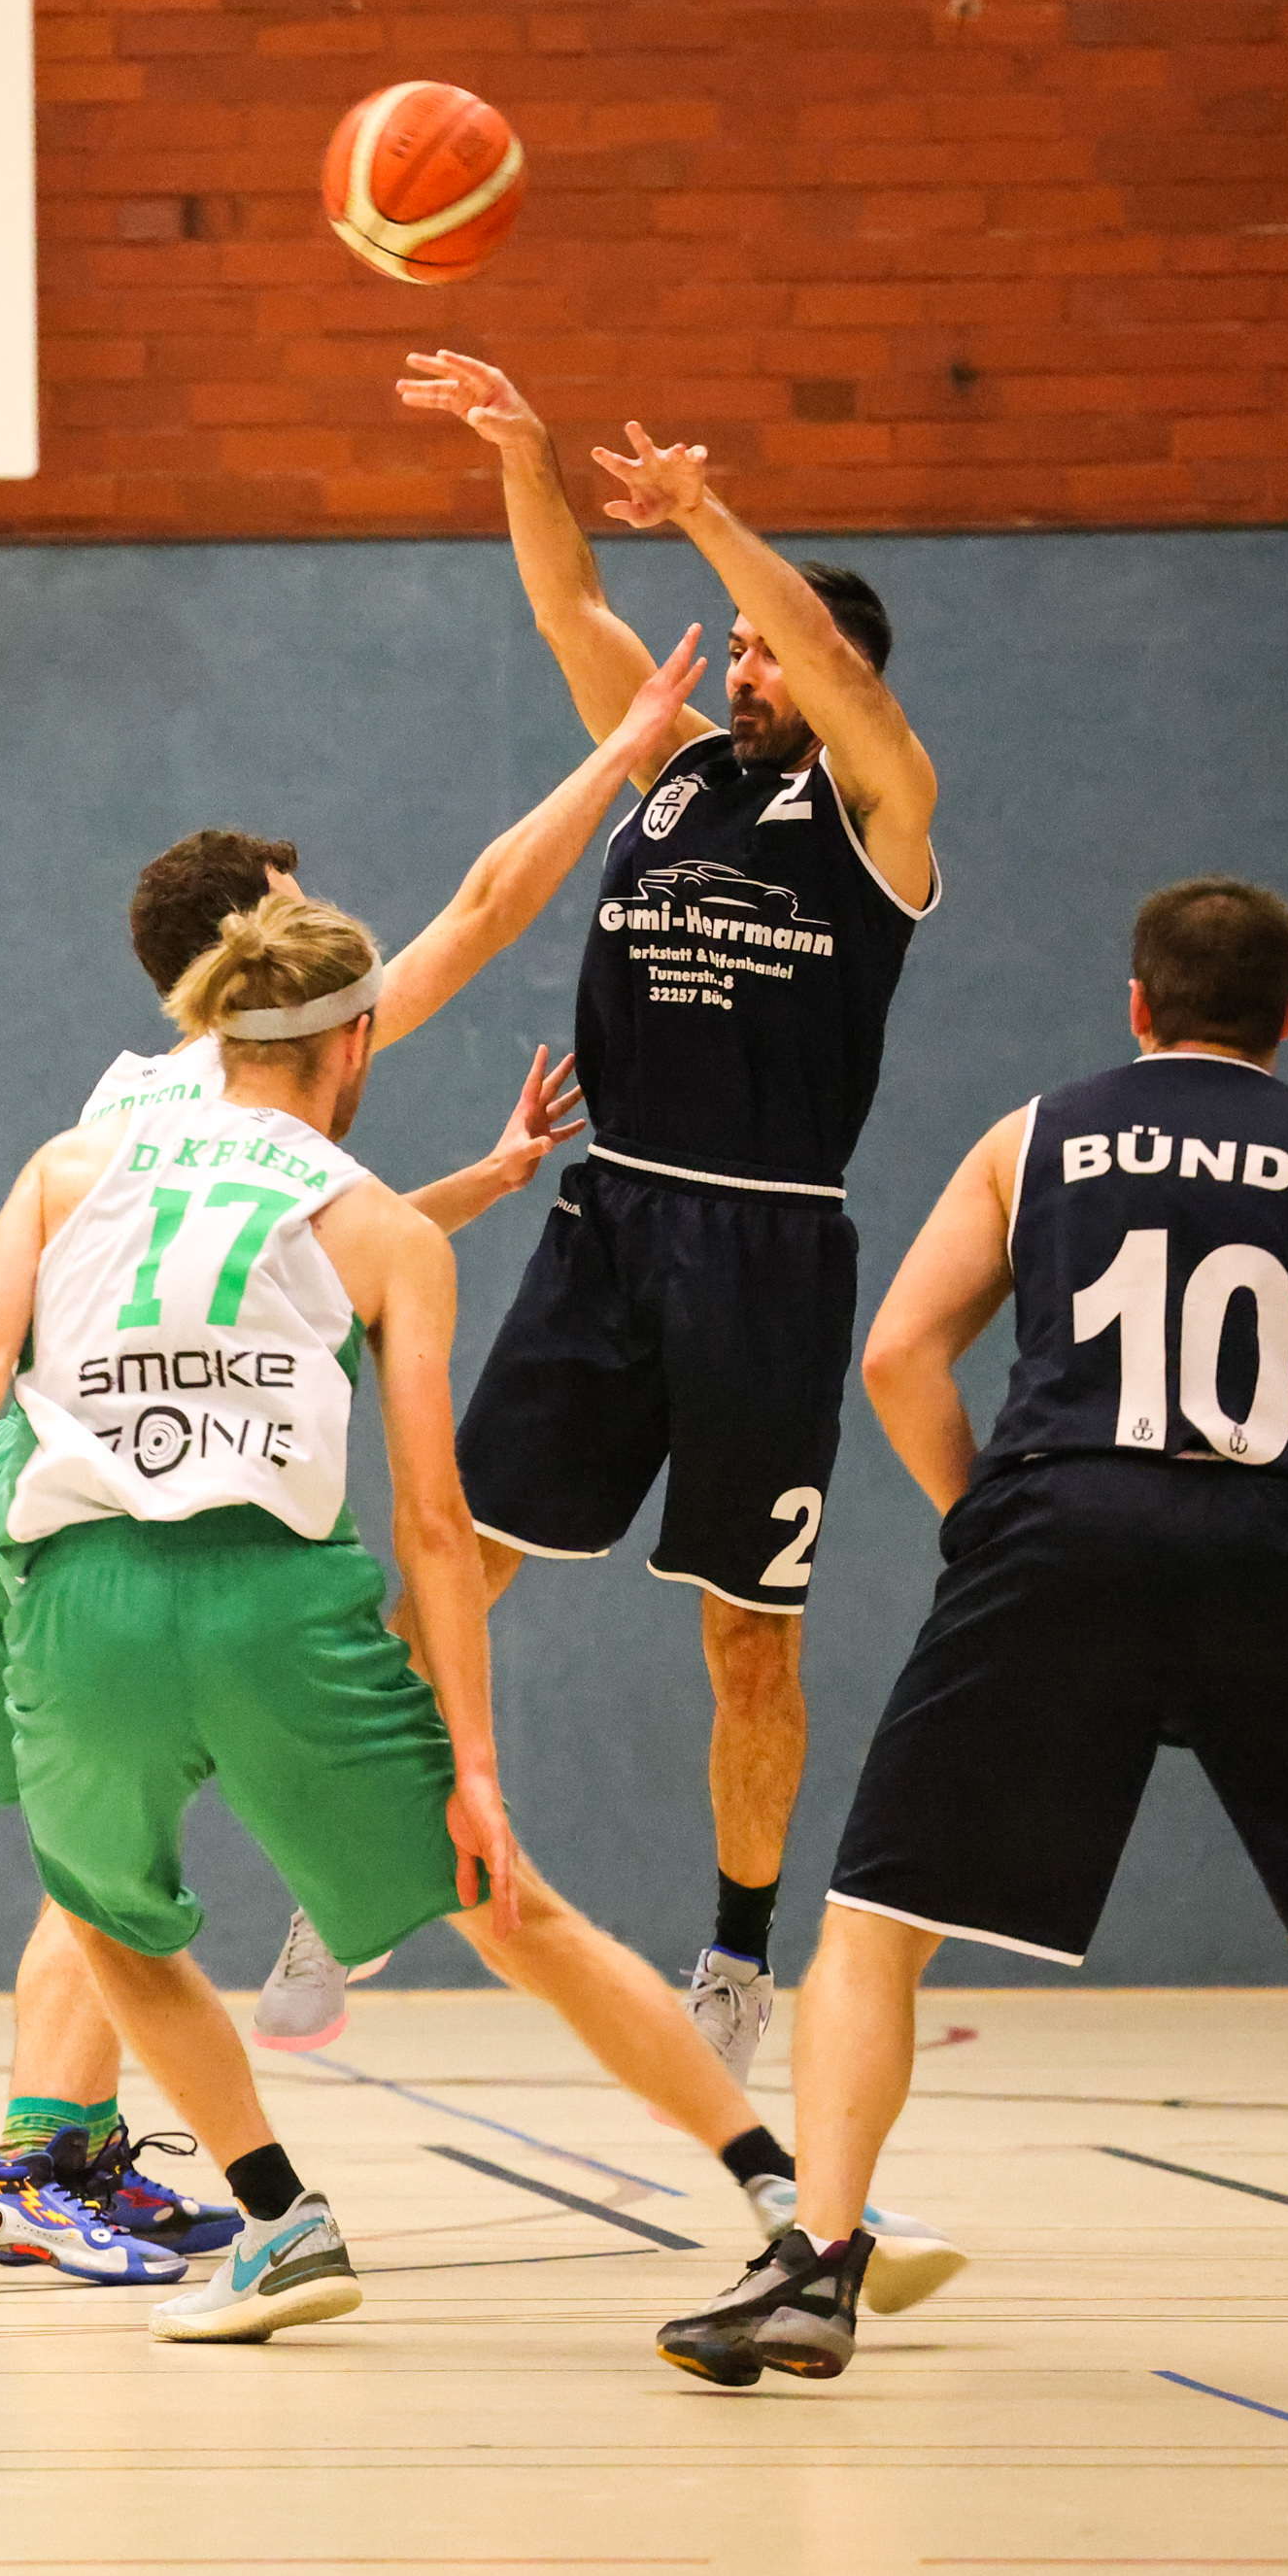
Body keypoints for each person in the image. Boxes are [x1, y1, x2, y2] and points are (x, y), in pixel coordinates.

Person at [656, 880, 1288, 2390]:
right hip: (1279, 1559)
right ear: (1287, 1014)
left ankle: (819, 2263)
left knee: (875, 1924)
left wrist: (994, 1519)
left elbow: (897, 1355)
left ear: (1136, 1004)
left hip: (1056, 1538)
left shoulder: (1032, 1138)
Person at [0, 896, 850, 2345]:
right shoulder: (382, 1227)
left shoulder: (68, 1167)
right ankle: (789, 2200)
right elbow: (436, 1524)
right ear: (356, 1042)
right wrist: (475, 1760)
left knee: (105, 1918)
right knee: (516, 1914)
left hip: (84, 1597)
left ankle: (279, 2221)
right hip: (283, 1609)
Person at [0, 629, 710, 2286]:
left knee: (108, 1848)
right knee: (99, 1867)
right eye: (291, 906)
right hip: (63, 1489)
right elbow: (483, 909)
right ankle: (32, 2159)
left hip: (65, 1470)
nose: (319, 926)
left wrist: (465, 1193)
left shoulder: (167, 1107)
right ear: (247, 958)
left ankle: (67, 2147)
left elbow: (263, 1276)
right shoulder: (222, 1070)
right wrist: (622, 746)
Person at [295, 350, 941, 2088]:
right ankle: (352, 1872)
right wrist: (521, 455)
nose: (742, 666)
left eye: (771, 651)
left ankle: (733, 1953)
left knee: (747, 1634)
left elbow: (820, 663)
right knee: (456, 1553)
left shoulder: (881, 810)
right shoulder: (669, 769)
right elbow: (572, 604)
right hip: (608, 1223)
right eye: (737, 651)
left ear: (840, 673)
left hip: (768, 1250)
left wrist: (712, 515)